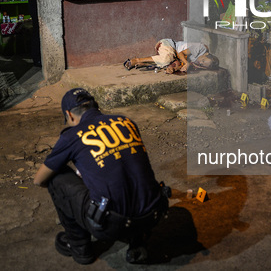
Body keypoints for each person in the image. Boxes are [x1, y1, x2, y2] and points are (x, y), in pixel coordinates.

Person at [34, 88, 169, 265]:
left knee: (57, 177)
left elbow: (39, 180)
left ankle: (79, 247)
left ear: (69, 115)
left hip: (111, 225)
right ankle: (137, 242)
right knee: (128, 172)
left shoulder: (72, 135)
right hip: (154, 214)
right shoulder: (126, 121)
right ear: (95, 106)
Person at [124, 39, 219, 73]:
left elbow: (180, 61)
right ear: (206, 55)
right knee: (166, 60)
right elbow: (180, 53)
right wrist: (186, 63)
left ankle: (143, 63)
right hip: (169, 44)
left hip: (174, 56)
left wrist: (180, 68)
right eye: (203, 60)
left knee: (170, 65)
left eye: (203, 64)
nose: (200, 62)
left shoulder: (199, 62)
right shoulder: (200, 48)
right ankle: (136, 60)